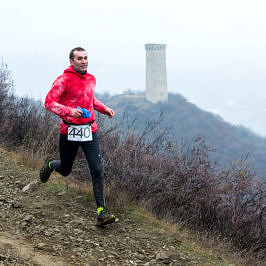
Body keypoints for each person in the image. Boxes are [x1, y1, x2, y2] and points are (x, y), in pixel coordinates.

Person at [40, 47, 115, 226]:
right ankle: (50, 165)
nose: (84, 61)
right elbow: (49, 103)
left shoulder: (91, 79)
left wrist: (104, 109)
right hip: (69, 131)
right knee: (65, 170)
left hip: (90, 131)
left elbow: (89, 99)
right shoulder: (63, 80)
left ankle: (101, 212)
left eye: (86, 58)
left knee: (96, 169)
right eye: (79, 58)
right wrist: (68, 111)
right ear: (71, 61)